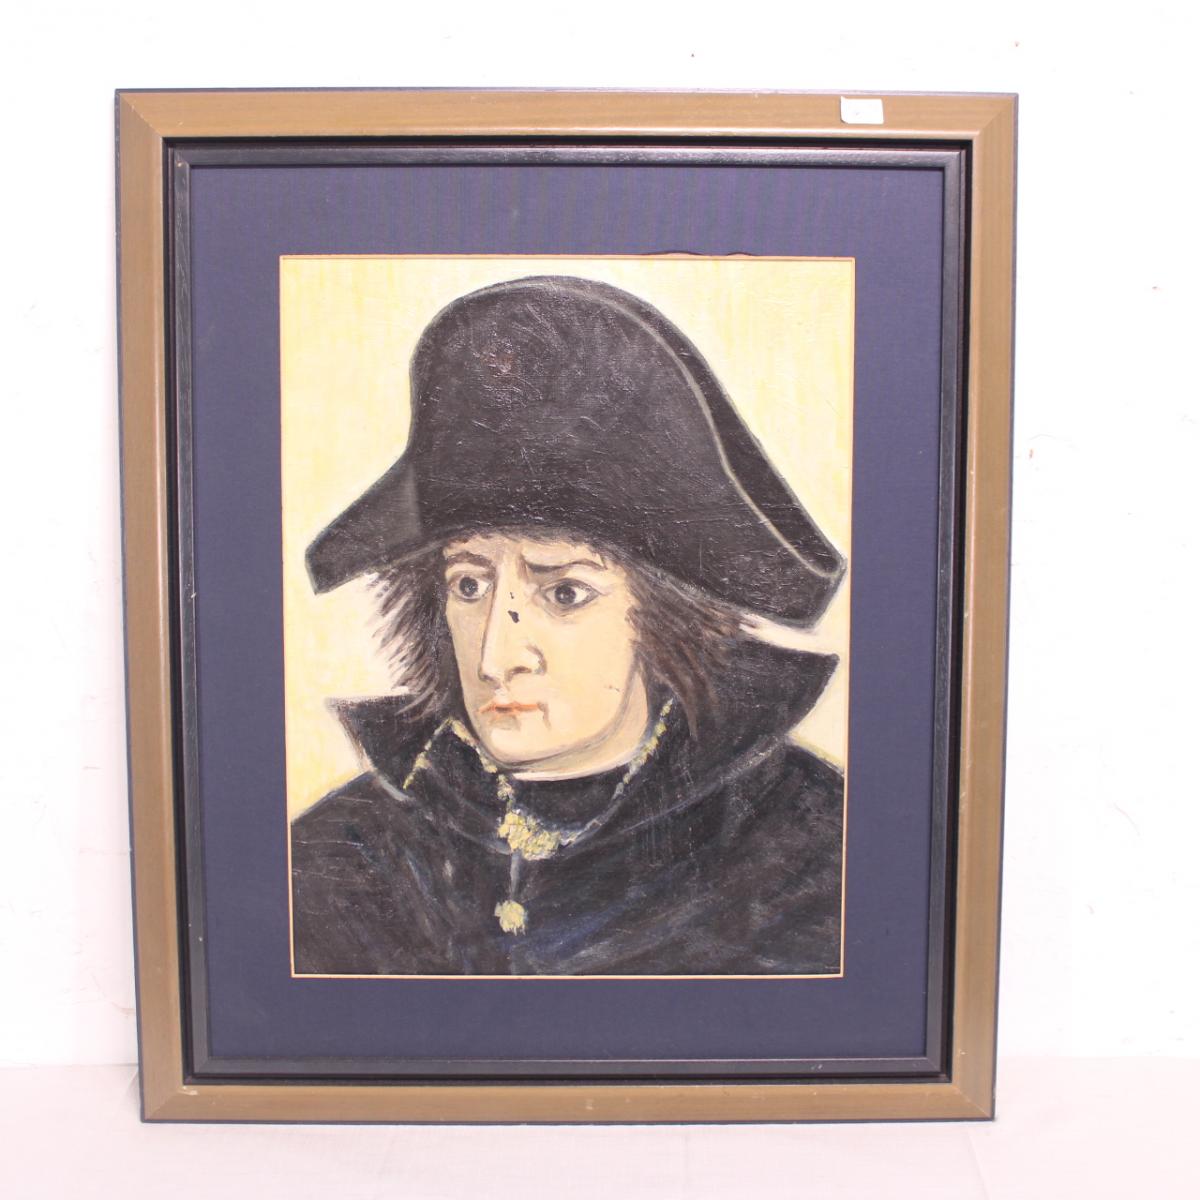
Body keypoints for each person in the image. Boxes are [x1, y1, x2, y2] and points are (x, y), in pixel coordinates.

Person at [290, 275, 846, 976]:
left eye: (564, 593)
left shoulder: (809, 856)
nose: (496, 657)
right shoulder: (343, 858)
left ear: (663, 616)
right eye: (469, 585)